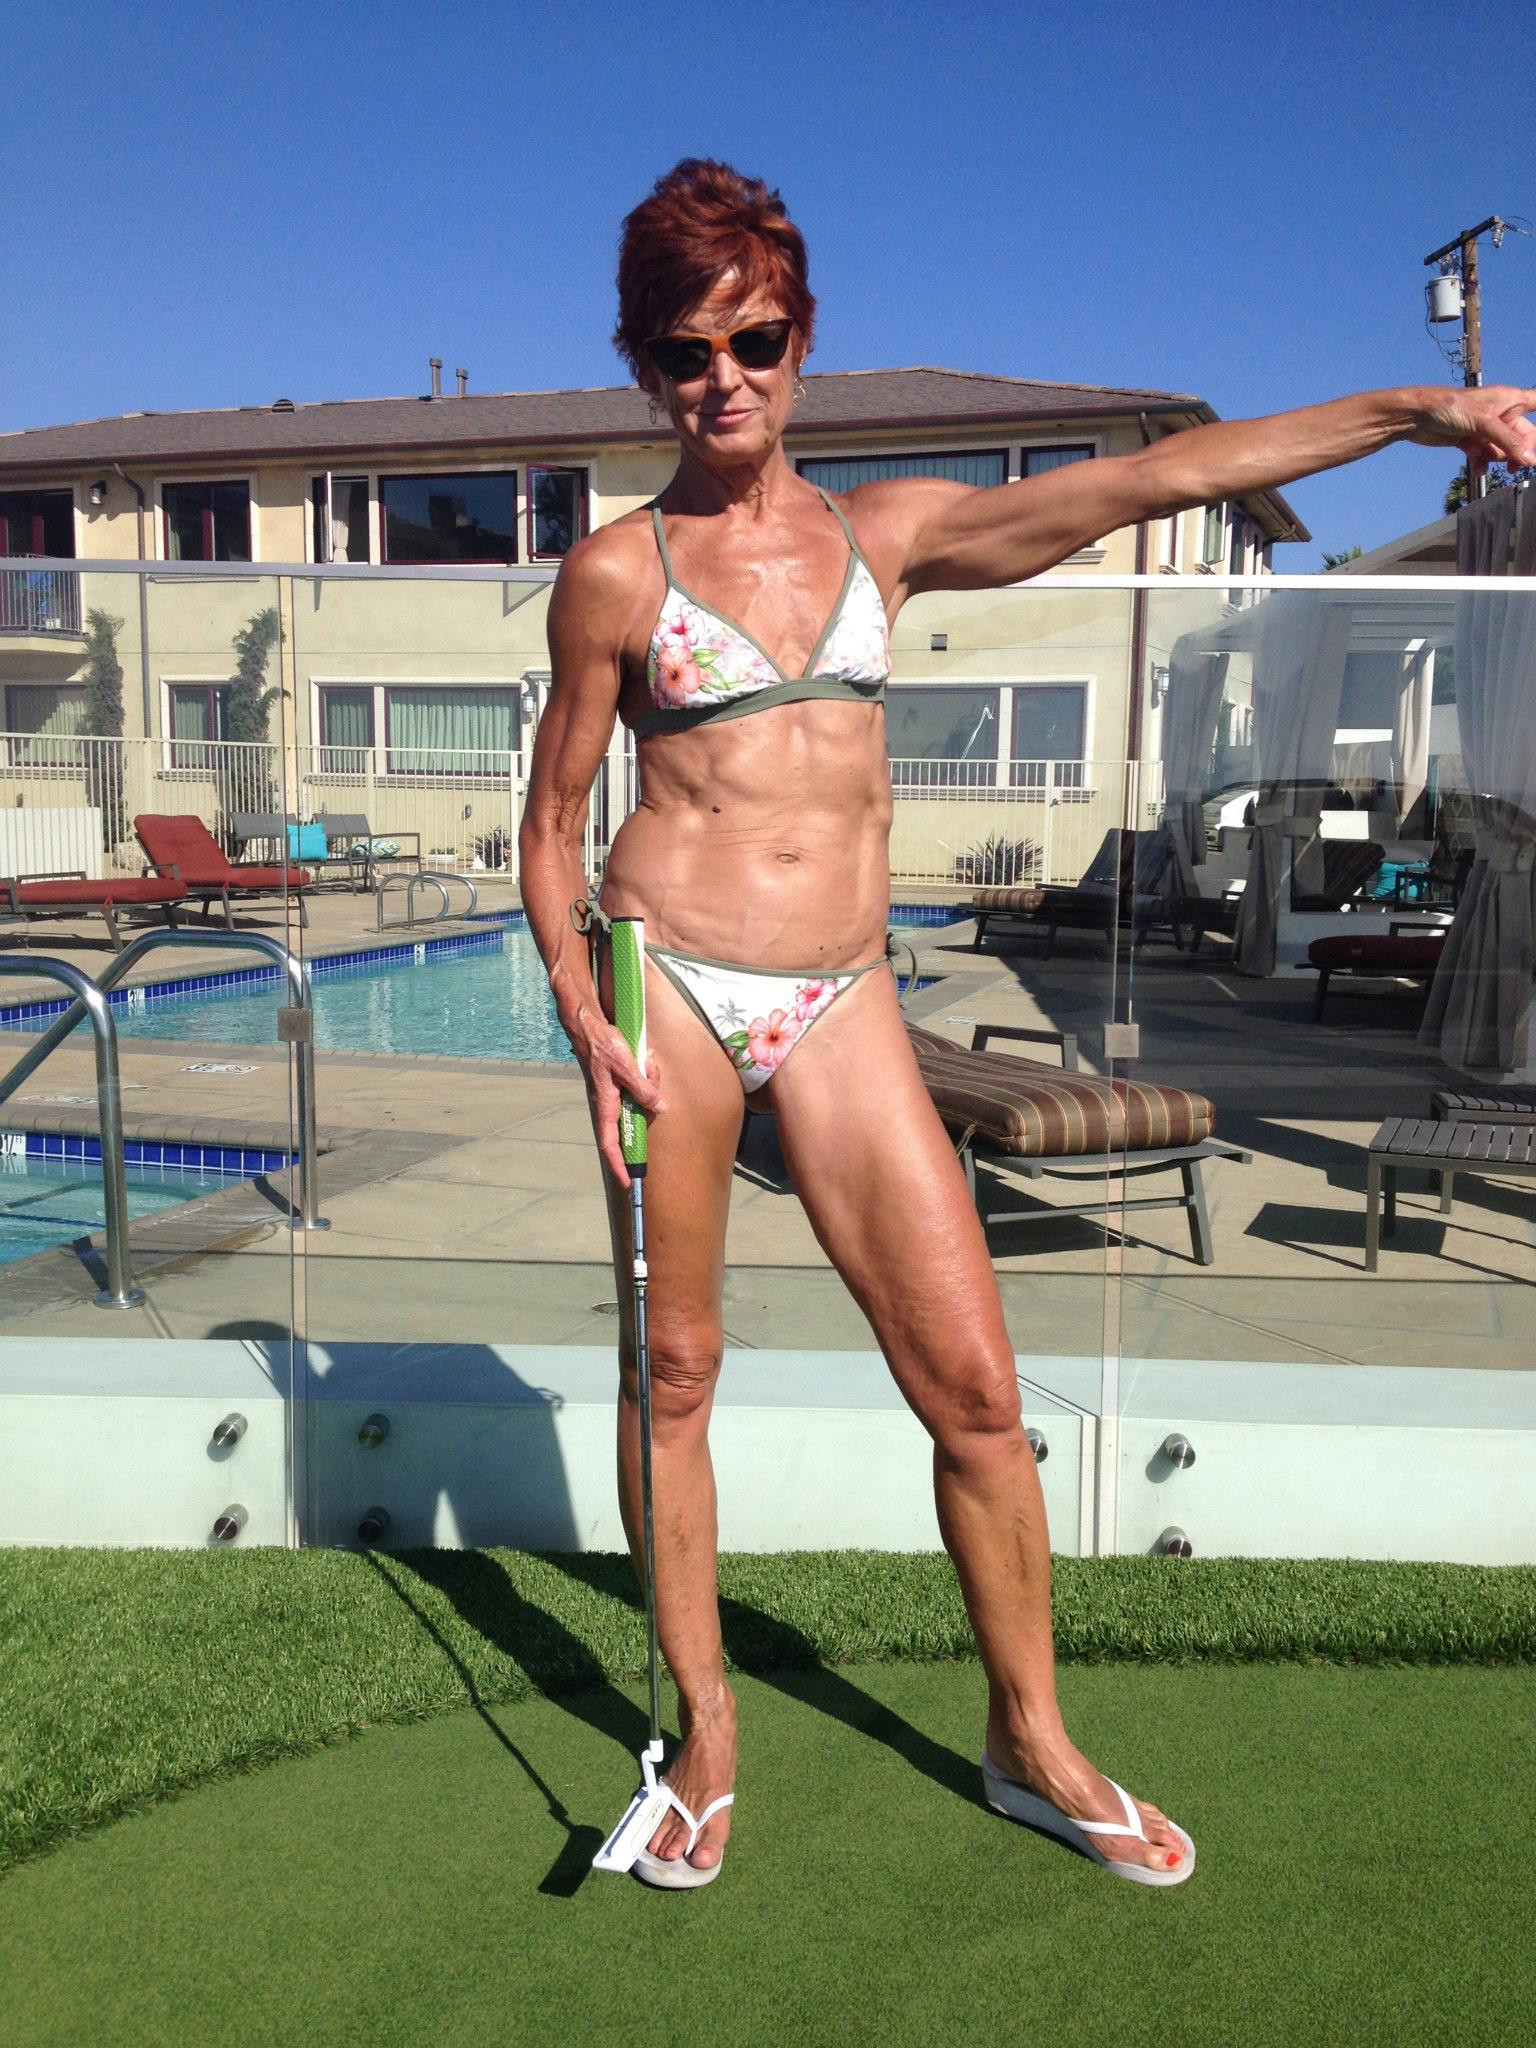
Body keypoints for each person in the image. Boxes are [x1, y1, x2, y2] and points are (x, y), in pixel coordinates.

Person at [519, 157, 1536, 1888]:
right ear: (645, 368)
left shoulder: (886, 538)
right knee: (673, 1371)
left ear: (801, 342)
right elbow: (550, 831)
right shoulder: (618, 574)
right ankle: (704, 1733)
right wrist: (575, 1002)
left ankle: (1029, 1739)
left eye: (754, 342)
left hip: (841, 994)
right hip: (667, 981)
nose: (725, 381)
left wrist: (1418, 408)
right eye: (685, 353)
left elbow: (1152, 478)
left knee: (980, 1394)